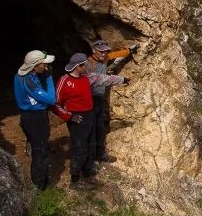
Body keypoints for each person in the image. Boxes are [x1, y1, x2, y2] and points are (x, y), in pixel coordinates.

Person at [55, 53, 128, 189]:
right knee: (79, 148)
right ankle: (75, 180)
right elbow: (55, 104)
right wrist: (69, 116)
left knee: (90, 145)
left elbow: (105, 79)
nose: (87, 67)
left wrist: (123, 79)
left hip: (89, 115)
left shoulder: (86, 78)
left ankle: (87, 173)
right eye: (84, 65)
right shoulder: (64, 81)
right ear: (78, 67)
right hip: (77, 118)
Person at [86, 39, 137, 163]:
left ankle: (101, 153)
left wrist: (129, 50)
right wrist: (121, 79)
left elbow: (117, 55)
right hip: (88, 99)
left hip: (99, 98)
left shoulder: (105, 58)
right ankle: (90, 158)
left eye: (105, 51)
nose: (104, 53)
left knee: (99, 127)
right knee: (91, 128)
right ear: (94, 50)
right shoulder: (88, 64)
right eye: (101, 51)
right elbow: (102, 79)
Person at [14, 50, 57, 190]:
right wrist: (49, 78)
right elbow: (51, 99)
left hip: (29, 116)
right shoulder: (29, 81)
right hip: (35, 118)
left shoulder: (22, 76)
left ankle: (39, 179)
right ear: (34, 66)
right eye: (43, 65)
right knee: (41, 150)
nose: (45, 67)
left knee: (38, 146)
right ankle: (39, 185)